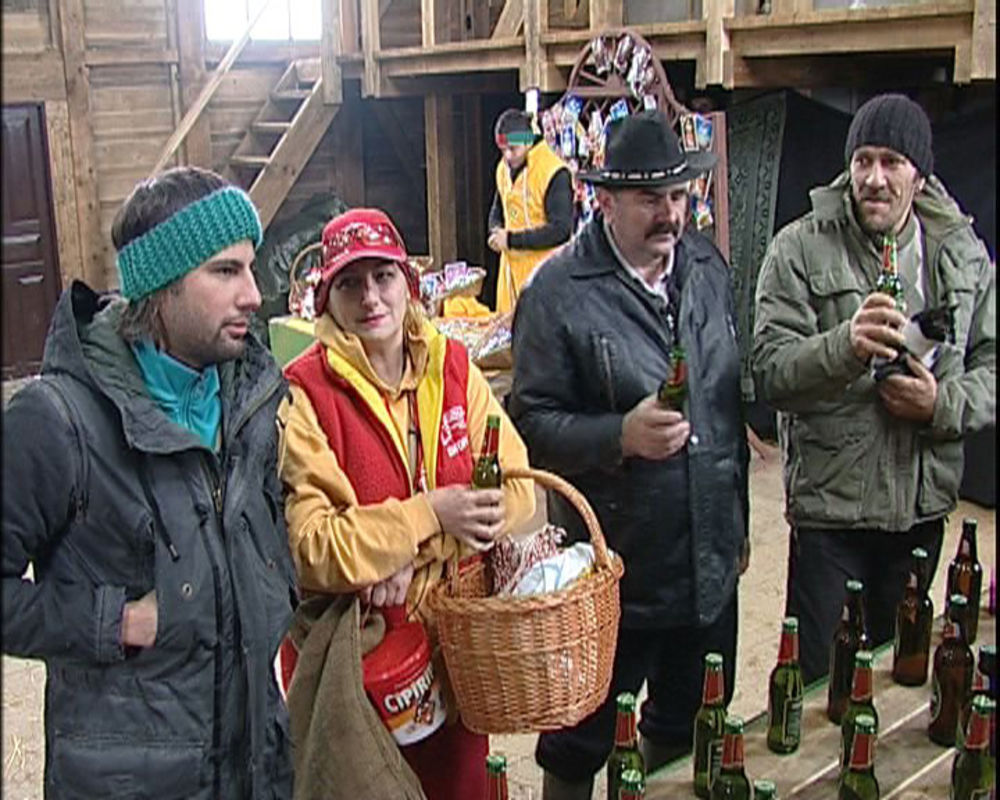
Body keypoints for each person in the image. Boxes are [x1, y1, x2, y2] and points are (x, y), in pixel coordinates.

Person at [1, 166, 296, 798]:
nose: (253, 293)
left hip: (253, 770)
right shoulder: (59, 422)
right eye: (225, 271)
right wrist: (112, 621)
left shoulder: (251, 402)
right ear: (160, 286)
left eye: (251, 266)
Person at [508, 110, 750, 800]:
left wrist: (738, 527)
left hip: (706, 564)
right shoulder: (556, 293)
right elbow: (530, 425)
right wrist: (619, 436)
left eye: (678, 195)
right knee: (579, 744)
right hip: (611, 571)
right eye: (650, 199)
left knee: (685, 724)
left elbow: (727, 407)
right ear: (604, 201)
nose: (670, 214)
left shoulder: (705, 268)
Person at [277, 207, 535, 799]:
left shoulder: (454, 369)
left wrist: (414, 546)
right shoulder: (307, 395)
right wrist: (430, 514)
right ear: (326, 299)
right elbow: (311, 547)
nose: (370, 297)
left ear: (408, 283)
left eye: (383, 277)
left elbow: (519, 489)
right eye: (349, 283)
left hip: (452, 652)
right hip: (362, 660)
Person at [752, 93, 996, 684]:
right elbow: (769, 370)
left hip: (919, 512)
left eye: (892, 161)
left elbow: (992, 363)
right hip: (831, 516)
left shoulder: (959, 254)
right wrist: (845, 345)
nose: (875, 179)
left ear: (919, 171)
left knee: (895, 681)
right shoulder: (799, 247)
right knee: (817, 687)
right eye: (863, 160)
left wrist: (941, 404)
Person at [488, 108, 573, 314]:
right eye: (503, 150)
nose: (507, 156)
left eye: (513, 149)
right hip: (510, 280)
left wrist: (511, 240)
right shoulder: (503, 169)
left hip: (545, 278)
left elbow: (561, 230)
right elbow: (497, 210)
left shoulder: (554, 172)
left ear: (527, 142)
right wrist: (495, 231)